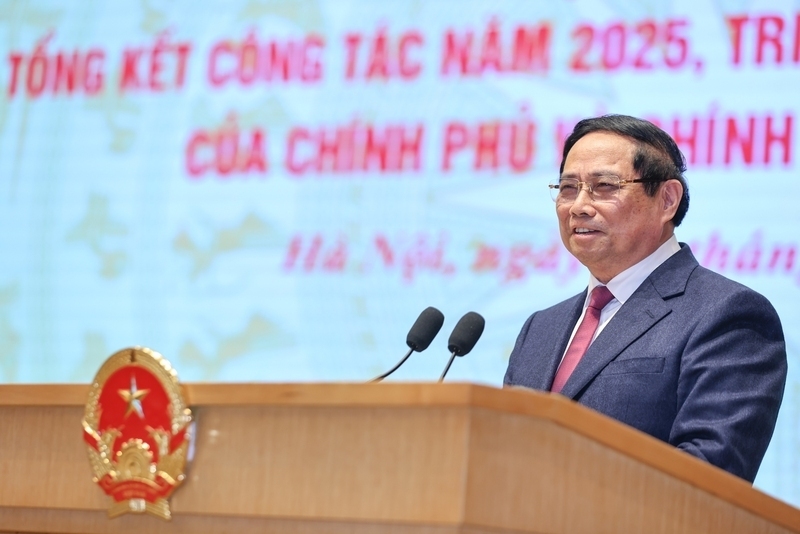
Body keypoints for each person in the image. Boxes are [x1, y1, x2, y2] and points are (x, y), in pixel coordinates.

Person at [504, 114, 786, 483]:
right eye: (568, 188)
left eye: (604, 185)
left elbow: (708, 476)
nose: (578, 206)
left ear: (667, 199)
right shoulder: (540, 328)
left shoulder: (727, 314)